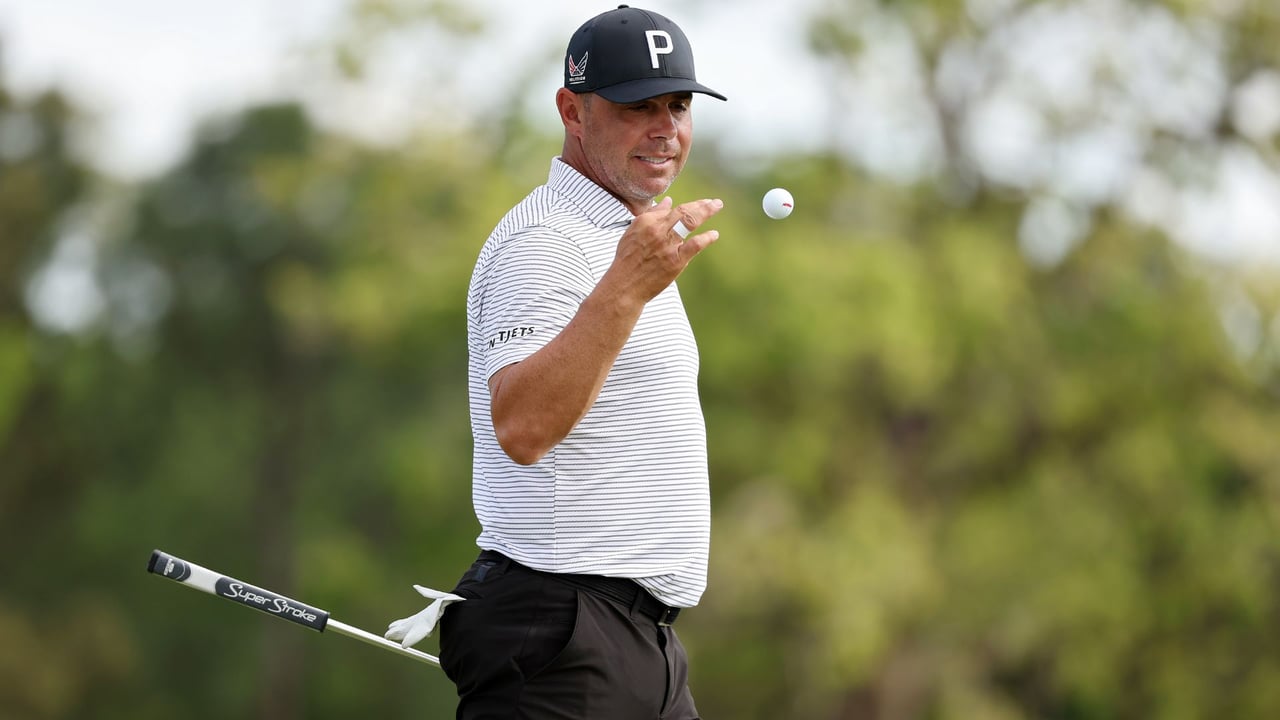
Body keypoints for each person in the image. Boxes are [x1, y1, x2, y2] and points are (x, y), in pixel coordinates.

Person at [442, 5, 726, 719]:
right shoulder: (546, 243)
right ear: (573, 110)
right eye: (638, 107)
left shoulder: (628, 237)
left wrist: (630, 273)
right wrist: (626, 283)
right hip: (562, 632)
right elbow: (523, 426)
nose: (666, 128)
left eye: (679, 105)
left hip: (635, 643)